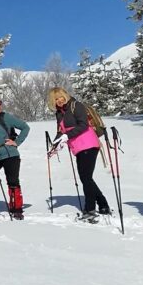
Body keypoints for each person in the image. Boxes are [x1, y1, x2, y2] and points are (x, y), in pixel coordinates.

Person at [46, 87, 111, 222]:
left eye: (60, 97)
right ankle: (103, 204)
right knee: (85, 178)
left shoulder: (77, 106)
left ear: (65, 95)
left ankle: (90, 209)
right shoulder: (59, 113)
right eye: (56, 99)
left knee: (86, 177)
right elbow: (60, 130)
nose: (59, 100)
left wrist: (66, 136)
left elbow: (83, 125)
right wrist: (56, 143)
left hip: (89, 143)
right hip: (77, 147)